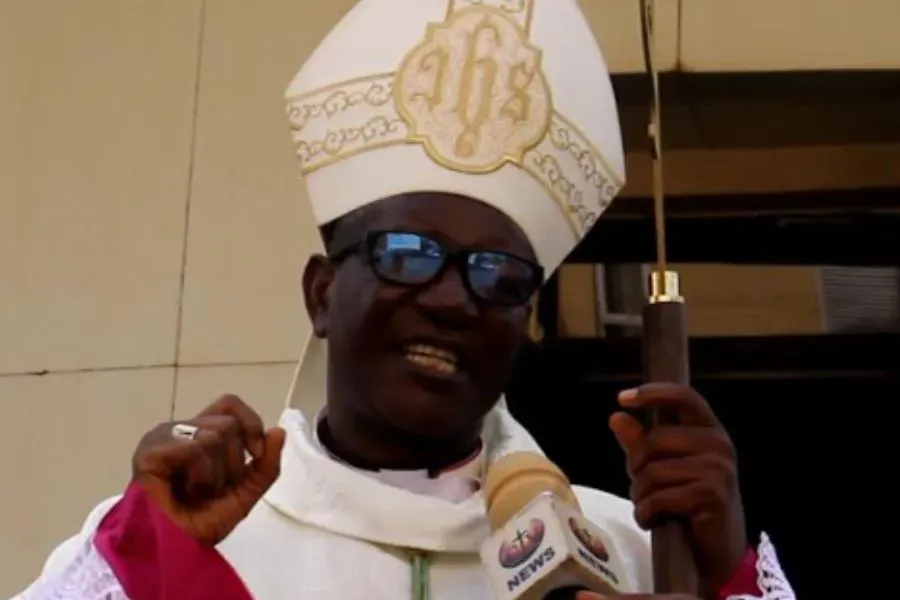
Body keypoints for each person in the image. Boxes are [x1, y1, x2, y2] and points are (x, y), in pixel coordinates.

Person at [13, 1, 797, 599]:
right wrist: (147, 558)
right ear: (322, 294)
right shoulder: (199, 539)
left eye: (497, 274)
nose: (453, 300)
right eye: (408, 254)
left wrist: (723, 574)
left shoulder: (630, 551)